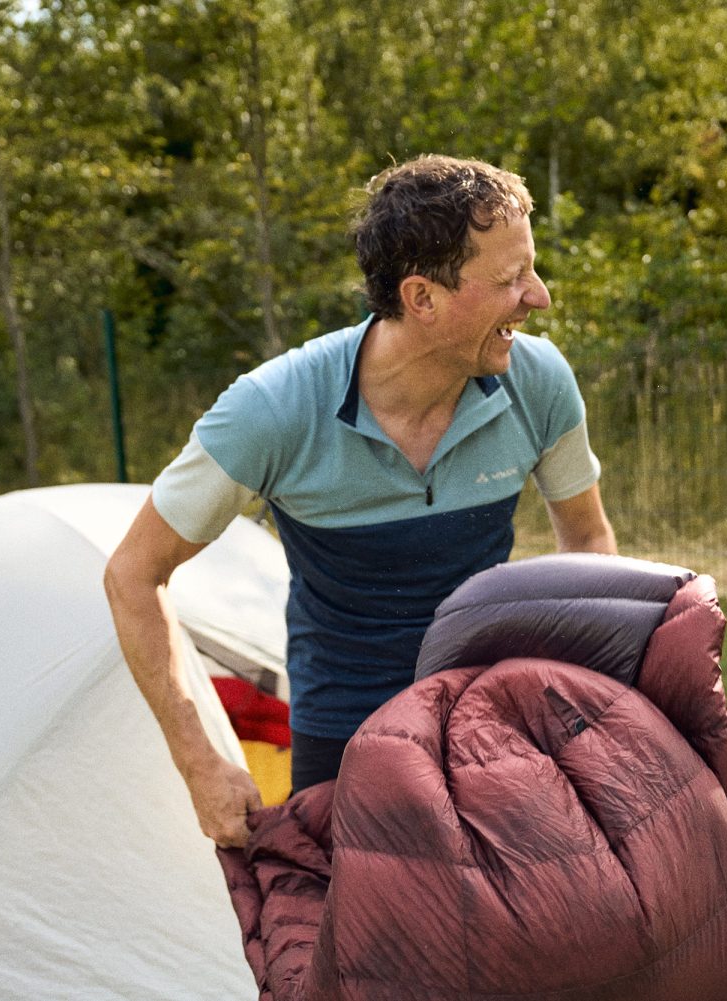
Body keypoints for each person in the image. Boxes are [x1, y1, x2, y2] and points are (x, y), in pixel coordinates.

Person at [104, 154, 616, 849]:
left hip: (487, 713)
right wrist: (199, 761)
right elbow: (133, 573)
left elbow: (587, 544)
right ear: (422, 298)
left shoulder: (539, 381)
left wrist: (573, 697)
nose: (539, 296)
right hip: (345, 737)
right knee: (368, 952)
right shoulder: (272, 411)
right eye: (510, 279)